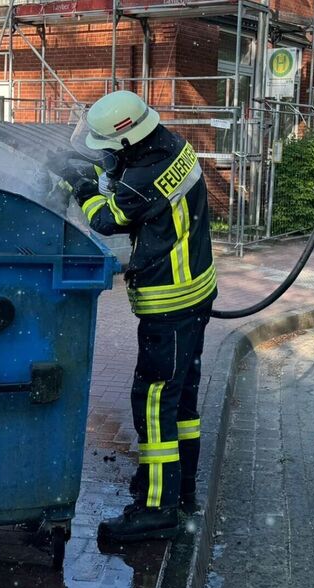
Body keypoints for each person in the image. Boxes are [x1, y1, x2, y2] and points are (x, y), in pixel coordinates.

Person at [50, 91, 216, 542]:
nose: (104, 151)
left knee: (155, 401)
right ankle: (179, 487)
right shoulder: (171, 146)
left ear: (127, 140)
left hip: (170, 301)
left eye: (107, 145)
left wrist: (80, 183)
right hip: (194, 293)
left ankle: (156, 509)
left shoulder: (148, 172)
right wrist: (97, 168)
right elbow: (129, 177)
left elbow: (109, 217)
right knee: (180, 400)